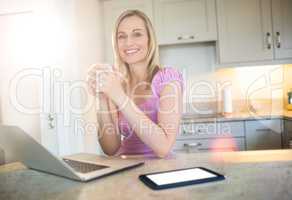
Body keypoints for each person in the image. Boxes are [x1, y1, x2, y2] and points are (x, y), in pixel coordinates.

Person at [87, 10, 183, 158]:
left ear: (149, 40)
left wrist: (119, 96)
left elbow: (163, 147)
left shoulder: (168, 79)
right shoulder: (116, 81)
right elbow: (110, 149)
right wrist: (101, 96)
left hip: (160, 171)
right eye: (121, 36)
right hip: (125, 169)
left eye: (137, 34)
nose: (128, 43)